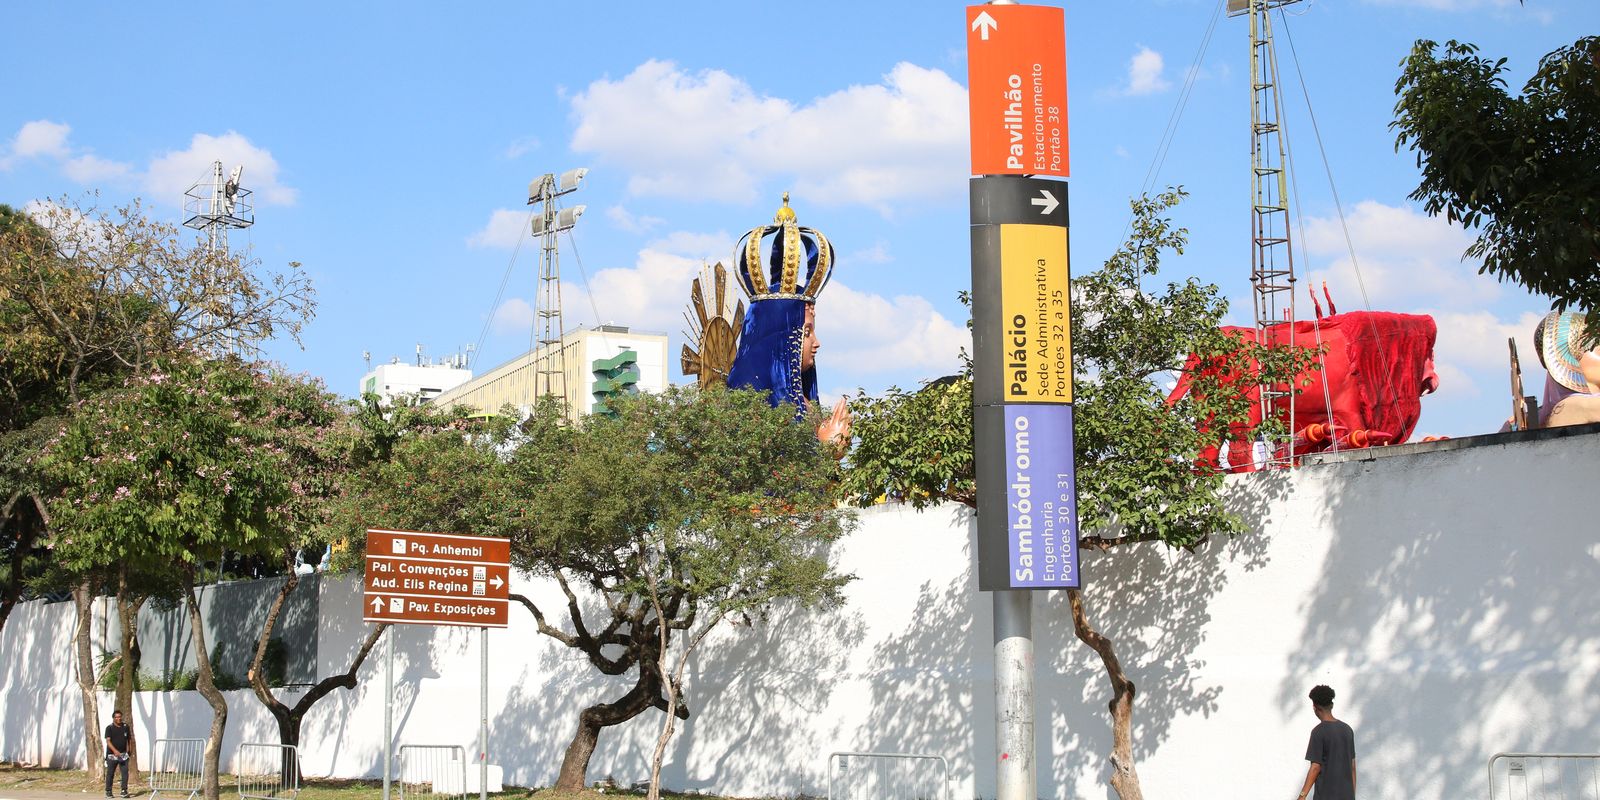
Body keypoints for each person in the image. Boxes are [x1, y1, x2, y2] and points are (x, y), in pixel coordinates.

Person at [1296, 685, 1356, 800]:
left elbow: (1315, 767)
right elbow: (1352, 766)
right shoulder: (1347, 730)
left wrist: (1302, 796)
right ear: (1331, 705)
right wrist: (1352, 795)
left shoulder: (1318, 732)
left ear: (1315, 707)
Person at [104, 709, 133, 798]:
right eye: (116, 717)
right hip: (112, 755)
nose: (118, 719)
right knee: (110, 773)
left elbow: (129, 739)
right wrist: (115, 751)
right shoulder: (109, 728)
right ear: (113, 718)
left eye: (120, 717)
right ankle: (108, 791)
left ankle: (124, 790)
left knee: (125, 773)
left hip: (123, 755)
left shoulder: (125, 727)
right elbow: (108, 741)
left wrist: (129, 749)